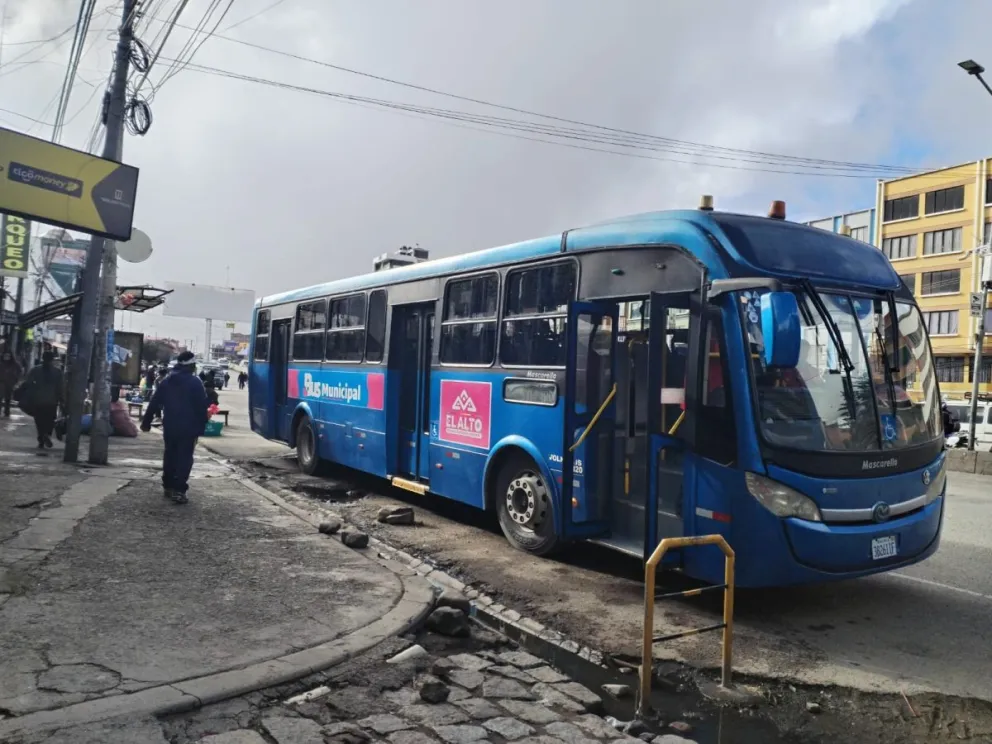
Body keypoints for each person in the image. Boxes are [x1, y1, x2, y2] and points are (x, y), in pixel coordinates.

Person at [140, 351, 209, 504]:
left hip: (170, 426)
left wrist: (146, 422)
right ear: (191, 365)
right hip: (188, 427)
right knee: (184, 458)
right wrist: (202, 424)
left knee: (170, 455)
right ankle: (179, 490)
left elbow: (154, 402)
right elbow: (201, 407)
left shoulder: (167, 381)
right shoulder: (195, 382)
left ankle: (168, 486)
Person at [21, 351, 63, 448]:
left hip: (38, 400)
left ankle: (41, 438)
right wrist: (62, 400)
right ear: (52, 359)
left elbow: (28, 383)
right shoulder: (57, 372)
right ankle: (47, 435)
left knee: (39, 421)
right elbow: (60, 387)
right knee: (50, 420)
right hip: (52, 401)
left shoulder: (36, 370)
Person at [0, 346, 23, 417]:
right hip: (1, 382)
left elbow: (20, 371)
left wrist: (16, 380)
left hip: (10, 383)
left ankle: (7, 411)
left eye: (8, 356)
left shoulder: (15, 364)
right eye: (5, 355)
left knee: (8, 398)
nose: (6, 357)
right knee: (0, 397)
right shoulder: (1, 363)